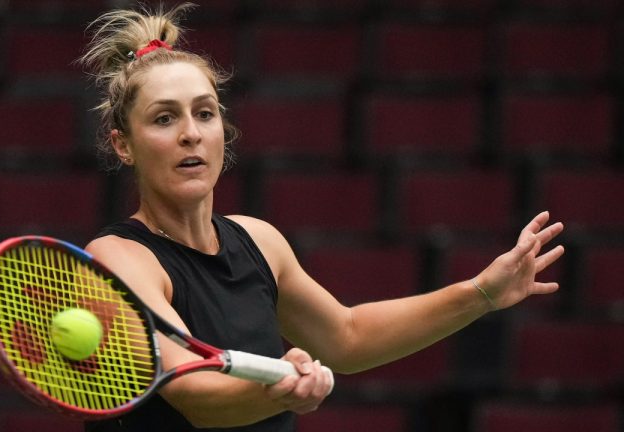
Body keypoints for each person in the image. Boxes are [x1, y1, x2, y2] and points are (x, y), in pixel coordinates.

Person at [80, 3, 565, 432]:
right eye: (164, 118)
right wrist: (276, 389)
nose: (191, 133)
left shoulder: (259, 241)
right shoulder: (119, 258)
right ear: (123, 144)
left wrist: (481, 292)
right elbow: (195, 397)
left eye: (204, 114)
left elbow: (346, 337)